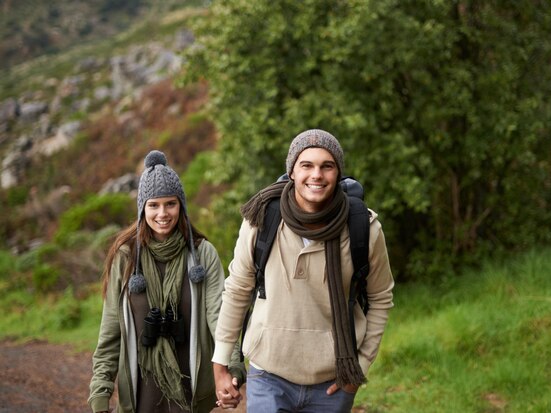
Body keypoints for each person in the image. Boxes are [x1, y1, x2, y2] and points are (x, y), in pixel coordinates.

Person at [212, 129, 395, 412]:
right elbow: (237, 290)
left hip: (333, 382)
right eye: (306, 165)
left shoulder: (365, 228)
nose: (316, 175)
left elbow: (381, 298)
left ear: (338, 173)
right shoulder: (261, 219)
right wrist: (221, 363)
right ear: (292, 172)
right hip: (268, 374)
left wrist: (360, 367)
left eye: (327, 166)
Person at [88, 150, 245, 413]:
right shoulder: (125, 257)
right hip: (140, 395)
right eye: (154, 205)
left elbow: (220, 317)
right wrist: (100, 392)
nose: (163, 213)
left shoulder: (202, 253)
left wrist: (233, 367)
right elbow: (110, 331)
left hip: (191, 391)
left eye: (170, 204)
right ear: (142, 209)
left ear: (181, 206)